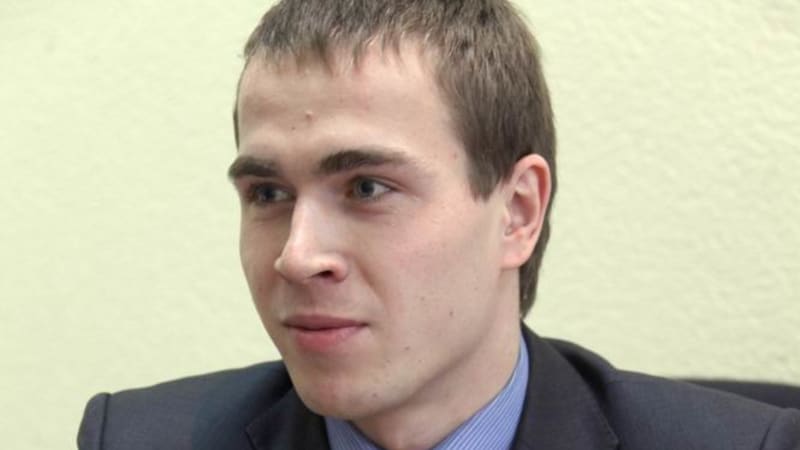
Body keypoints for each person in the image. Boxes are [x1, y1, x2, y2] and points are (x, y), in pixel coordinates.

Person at [78, 1, 800, 449]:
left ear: (517, 212)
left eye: (367, 187)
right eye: (268, 193)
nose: (297, 256)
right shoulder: (137, 439)